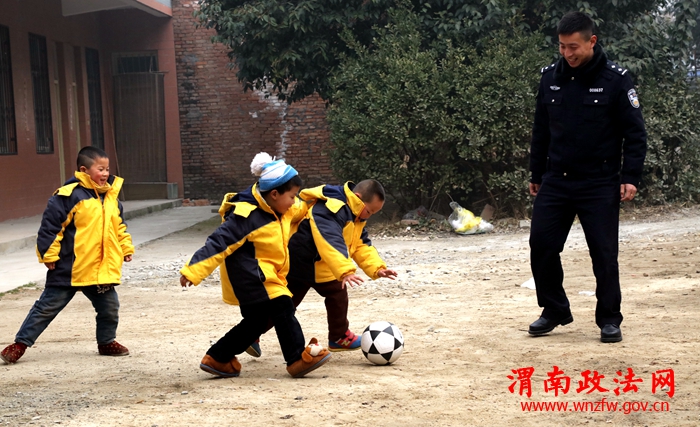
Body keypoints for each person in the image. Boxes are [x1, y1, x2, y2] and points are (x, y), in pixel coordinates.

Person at [527, 11, 647, 343]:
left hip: (599, 182)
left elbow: (635, 134)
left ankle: (609, 318)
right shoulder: (550, 78)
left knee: (604, 254)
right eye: (562, 47)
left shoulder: (616, 80)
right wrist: (536, 172)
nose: (567, 53)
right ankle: (554, 310)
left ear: (591, 41)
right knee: (541, 244)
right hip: (557, 179)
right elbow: (541, 130)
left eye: (573, 47)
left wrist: (630, 176)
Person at [179, 152, 331, 378]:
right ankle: (297, 358)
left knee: (257, 322)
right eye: (291, 196)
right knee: (283, 306)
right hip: (253, 278)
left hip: (265, 277)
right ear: (274, 194)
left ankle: (218, 357)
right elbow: (219, 243)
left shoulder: (283, 208)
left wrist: (326, 196)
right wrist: (193, 270)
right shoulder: (246, 216)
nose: (294, 201)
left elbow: (303, 206)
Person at [1, 147, 134, 364]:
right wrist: (49, 255)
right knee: (46, 308)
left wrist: (126, 248)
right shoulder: (68, 196)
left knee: (109, 308)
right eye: (100, 169)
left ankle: (106, 342)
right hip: (68, 268)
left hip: (99, 270)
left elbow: (119, 227)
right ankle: (19, 345)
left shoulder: (111, 197)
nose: (105, 174)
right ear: (84, 170)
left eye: (107, 169)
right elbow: (51, 228)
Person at [247, 179, 398, 357]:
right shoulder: (330, 207)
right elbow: (329, 239)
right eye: (370, 211)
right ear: (358, 198)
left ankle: (339, 336)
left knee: (336, 295)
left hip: (321, 265)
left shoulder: (357, 215)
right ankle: (250, 334)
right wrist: (345, 270)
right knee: (285, 304)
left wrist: (377, 268)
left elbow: (361, 245)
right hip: (300, 263)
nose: (369, 216)